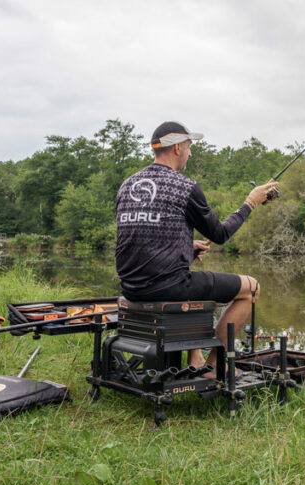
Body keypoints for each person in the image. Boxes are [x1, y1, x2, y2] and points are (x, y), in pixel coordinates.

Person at [115, 121, 278, 373]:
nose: (190, 153)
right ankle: (214, 365)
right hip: (167, 288)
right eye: (190, 147)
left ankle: (195, 358)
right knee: (251, 288)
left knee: (194, 282)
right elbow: (220, 234)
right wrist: (250, 203)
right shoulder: (185, 187)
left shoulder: (127, 185)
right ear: (178, 147)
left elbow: (137, 236)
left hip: (132, 288)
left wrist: (185, 245)